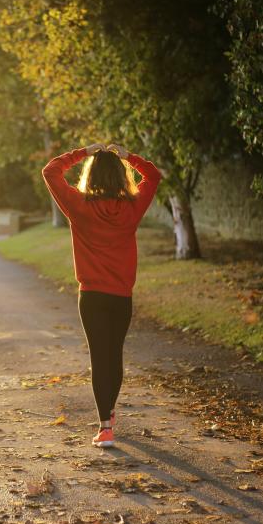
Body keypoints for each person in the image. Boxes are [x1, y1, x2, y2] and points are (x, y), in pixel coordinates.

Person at [42, 142, 162, 447]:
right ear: (121, 177)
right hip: (121, 296)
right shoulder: (132, 207)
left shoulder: (78, 206)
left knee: (99, 357)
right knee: (114, 355)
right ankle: (109, 412)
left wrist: (82, 152)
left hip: (92, 297)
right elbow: (153, 175)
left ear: (91, 176)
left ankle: (105, 426)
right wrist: (129, 156)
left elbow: (51, 171)